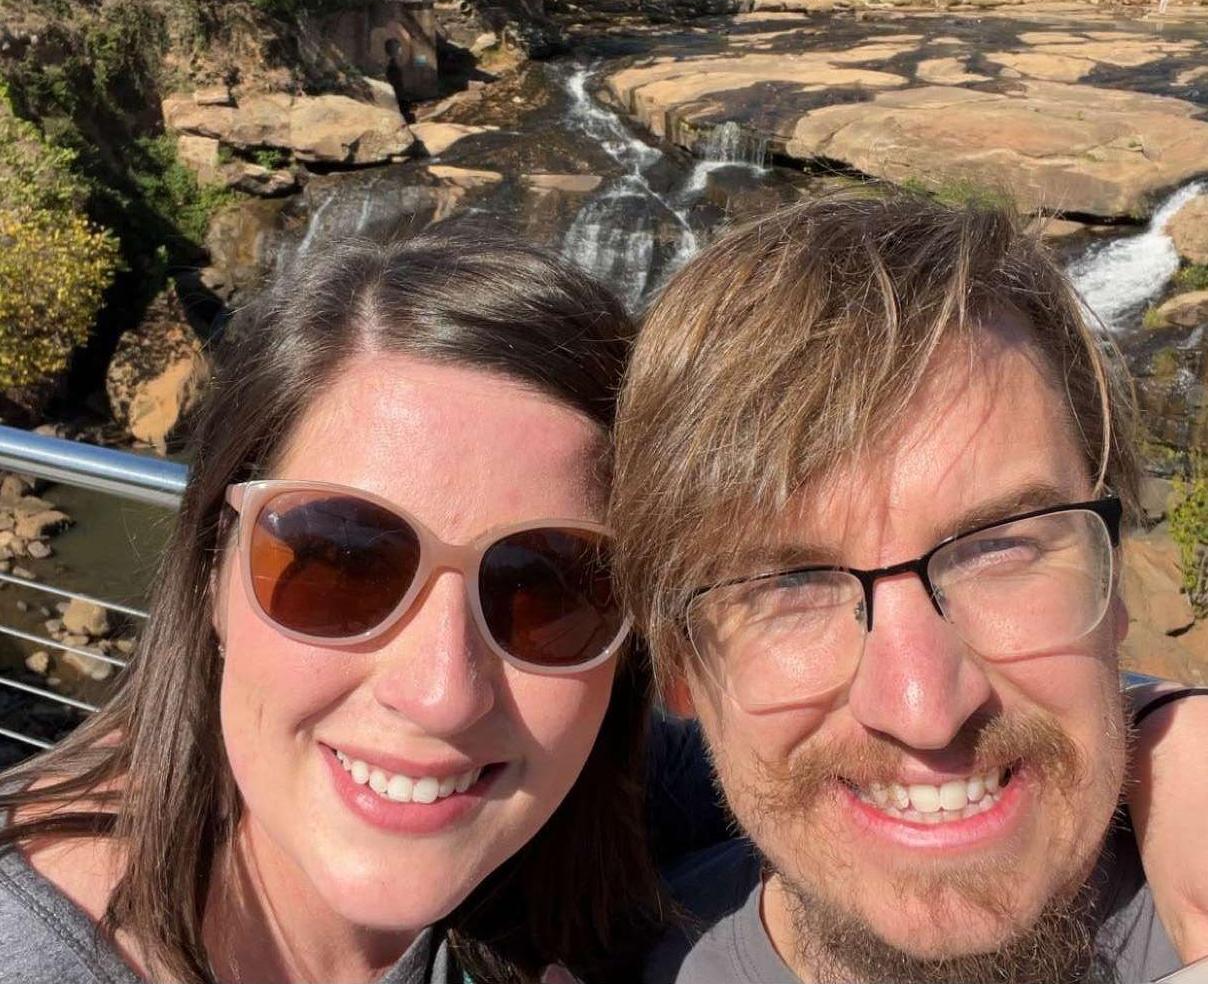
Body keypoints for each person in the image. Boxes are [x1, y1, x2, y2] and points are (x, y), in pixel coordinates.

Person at [0, 224, 661, 984]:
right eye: (346, 564)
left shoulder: (640, 836)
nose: (442, 696)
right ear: (215, 573)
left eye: (546, 589)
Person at [613, 189, 1208, 983]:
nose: (925, 710)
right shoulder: (615, 956)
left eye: (999, 548)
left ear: (1114, 582)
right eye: (790, 585)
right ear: (682, 667)